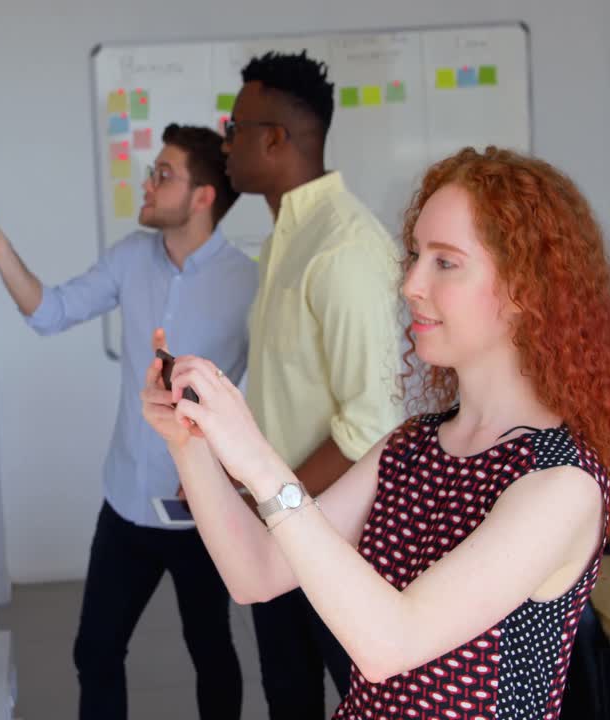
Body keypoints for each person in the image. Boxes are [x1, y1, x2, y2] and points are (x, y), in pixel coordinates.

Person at [143, 147, 610, 719]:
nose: (410, 283)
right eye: (415, 256)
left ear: (524, 290)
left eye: (446, 262)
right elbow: (256, 574)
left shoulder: (561, 484)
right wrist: (188, 443)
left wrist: (257, 460)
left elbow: (392, 644)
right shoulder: (411, 445)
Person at [0, 124, 257, 720]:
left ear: (202, 197)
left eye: (163, 174)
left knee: (211, 651)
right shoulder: (129, 257)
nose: (148, 183)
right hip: (127, 504)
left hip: (202, 511)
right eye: (151, 172)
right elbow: (52, 311)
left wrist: (234, 477)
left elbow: (262, 394)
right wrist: (0, 252)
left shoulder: (246, 283)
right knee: (95, 650)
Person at [222, 49, 405, 717]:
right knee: (288, 695)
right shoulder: (285, 239)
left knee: (365, 699)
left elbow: (371, 425)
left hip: (339, 538)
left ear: (276, 138)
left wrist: (271, 507)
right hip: (288, 526)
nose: (226, 143)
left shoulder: (344, 248)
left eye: (235, 127)